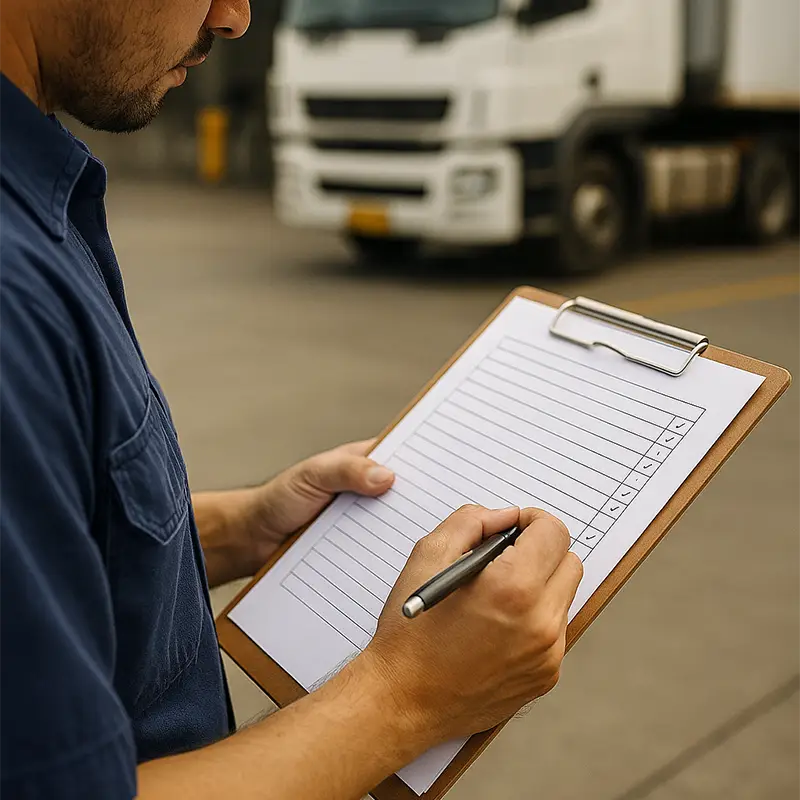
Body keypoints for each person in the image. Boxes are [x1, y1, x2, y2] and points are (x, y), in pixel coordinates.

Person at [0, 2, 584, 798]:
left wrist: (245, 527)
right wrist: (405, 696)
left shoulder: (35, 187)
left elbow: (53, 534)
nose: (235, 17)